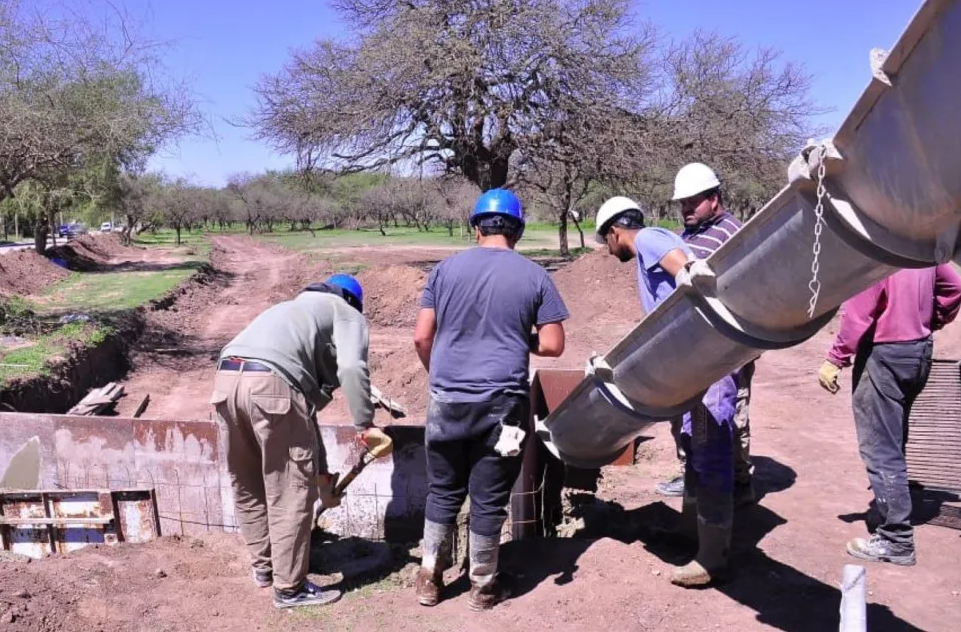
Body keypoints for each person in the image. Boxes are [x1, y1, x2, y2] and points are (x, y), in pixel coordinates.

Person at [413, 188, 569, 611]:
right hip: (506, 410)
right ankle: (482, 586)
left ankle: (429, 577)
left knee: (443, 491)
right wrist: (522, 336)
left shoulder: (444, 271)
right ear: (516, 229)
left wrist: (443, 379)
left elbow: (421, 336)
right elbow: (554, 345)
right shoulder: (535, 276)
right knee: (490, 498)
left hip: (447, 402)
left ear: (476, 226)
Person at [212, 273, 378, 609]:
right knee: (289, 491)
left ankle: (265, 567)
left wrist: (321, 474)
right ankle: (290, 589)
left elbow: (303, 414)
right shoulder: (346, 313)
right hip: (271, 385)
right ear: (351, 300)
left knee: (248, 481)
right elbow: (351, 368)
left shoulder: (291, 311)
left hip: (226, 380)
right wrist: (365, 424)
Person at [595, 195, 735, 588]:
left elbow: (690, 273)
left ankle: (713, 557)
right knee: (692, 446)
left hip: (704, 365)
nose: (608, 249)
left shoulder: (652, 239)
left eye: (605, 240)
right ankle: (692, 535)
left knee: (709, 453)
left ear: (616, 231)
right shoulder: (646, 253)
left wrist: (688, 277)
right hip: (687, 367)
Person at [819, 264, 961, 566]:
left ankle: (896, 539)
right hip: (918, 351)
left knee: (881, 447)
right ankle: (891, 509)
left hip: (883, 354)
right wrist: (932, 319)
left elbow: (860, 312)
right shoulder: (923, 249)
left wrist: (836, 358)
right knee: (894, 437)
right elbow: (955, 290)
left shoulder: (877, 254)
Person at [655, 163, 758, 509]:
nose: (685, 209)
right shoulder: (686, 237)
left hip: (727, 345)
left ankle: (739, 483)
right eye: (681, 204)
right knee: (688, 414)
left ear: (714, 199)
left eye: (693, 202)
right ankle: (692, 474)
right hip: (691, 345)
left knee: (730, 413)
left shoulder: (733, 233)